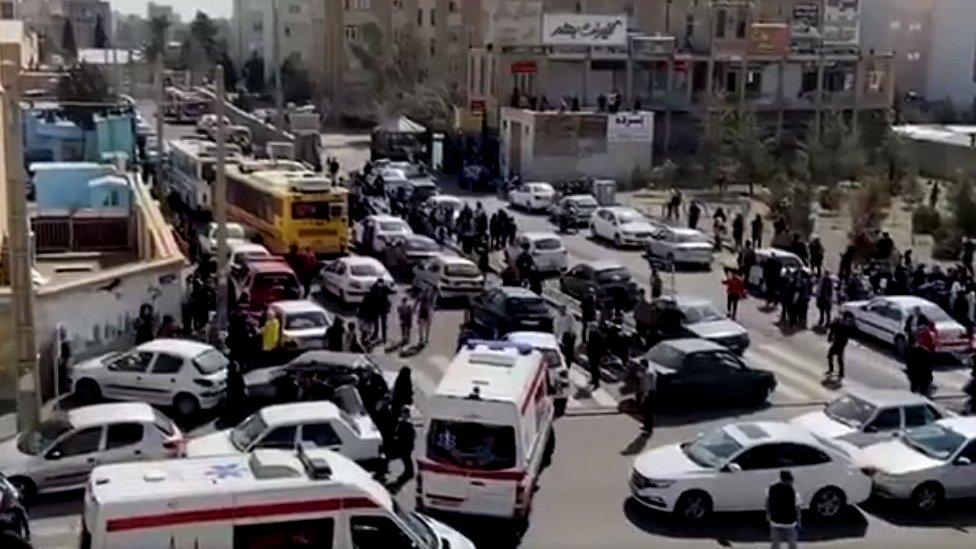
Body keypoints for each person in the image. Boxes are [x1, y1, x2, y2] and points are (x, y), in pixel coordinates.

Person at [766, 471, 802, 549]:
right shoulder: (793, 491)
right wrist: (799, 521)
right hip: (790, 523)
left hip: (775, 521)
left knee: (775, 544)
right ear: (788, 480)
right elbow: (798, 507)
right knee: (792, 543)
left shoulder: (771, 488)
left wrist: (768, 514)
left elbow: (768, 502)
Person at [826, 311, 854, 379]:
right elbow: (853, 334)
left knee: (830, 355)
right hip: (843, 342)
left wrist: (830, 336)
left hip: (838, 341)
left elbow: (831, 327)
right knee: (839, 357)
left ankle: (831, 370)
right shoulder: (849, 324)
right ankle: (840, 372)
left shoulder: (838, 321)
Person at [394, 408, 416, 480]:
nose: (404, 415)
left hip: (405, 445)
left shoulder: (407, 424)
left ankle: (409, 472)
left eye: (405, 414)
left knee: (406, 459)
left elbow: (411, 435)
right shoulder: (403, 423)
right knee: (406, 459)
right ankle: (409, 472)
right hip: (404, 444)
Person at [586, 322, 605, 389]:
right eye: (590, 327)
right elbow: (589, 343)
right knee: (591, 368)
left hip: (596, 355)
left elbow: (602, 347)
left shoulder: (599, 336)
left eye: (592, 327)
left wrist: (600, 355)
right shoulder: (591, 333)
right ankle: (593, 380)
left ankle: (597, 383)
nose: (591, 328)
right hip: (591, 353)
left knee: (595, 369)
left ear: (596, 328)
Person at [640, 359, 656, 435]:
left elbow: (647, 386)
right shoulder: (649, 372)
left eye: (641, 365)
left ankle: (648, 429)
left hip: (648, 393)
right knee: (647, 412)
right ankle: (646, 426)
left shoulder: (647, 373)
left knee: (647, 412)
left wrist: (644, 396)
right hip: (650, 393)